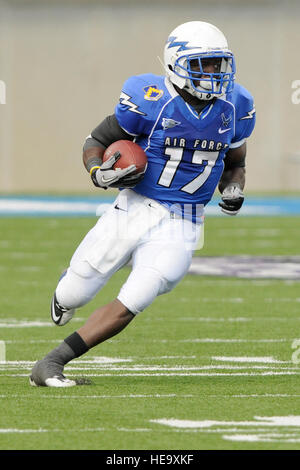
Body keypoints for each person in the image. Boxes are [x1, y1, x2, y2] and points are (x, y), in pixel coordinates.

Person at [30, 20, 255, 387]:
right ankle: (65, 293)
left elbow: (236, 163)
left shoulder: (235, 106)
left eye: (218, 63)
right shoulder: (150, 99)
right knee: (77, 289)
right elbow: (96, 140)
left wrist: (233, 189)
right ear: (175, 63)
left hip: (185, 220)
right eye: (204, 64)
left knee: (139, 294)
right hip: (134, 207)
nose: (215, 74)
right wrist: (97, 172)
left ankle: (53, 363)